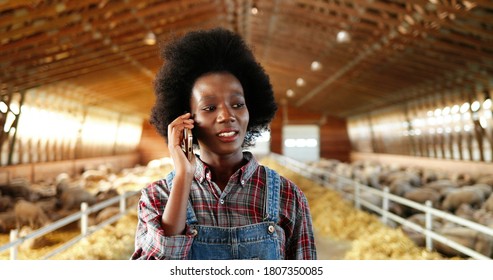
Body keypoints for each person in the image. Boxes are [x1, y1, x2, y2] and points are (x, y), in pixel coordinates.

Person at [131, 27, 317, 260]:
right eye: (209, 108)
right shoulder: (157, 197)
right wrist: (182, 178)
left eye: (238, 104)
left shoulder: (288, 195)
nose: (227, 115)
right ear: (185, 119)